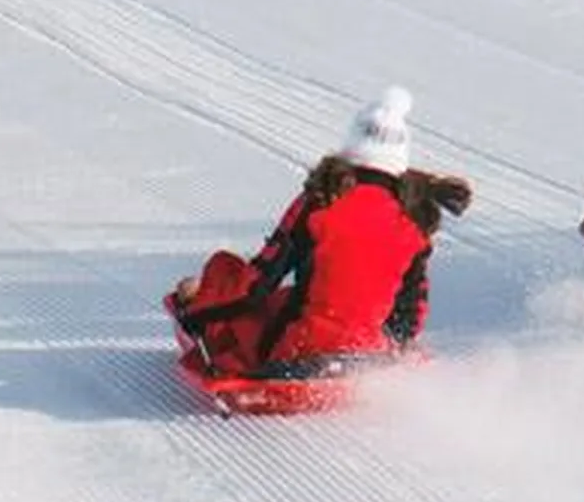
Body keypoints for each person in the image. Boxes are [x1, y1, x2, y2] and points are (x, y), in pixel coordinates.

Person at [170, 88, 471, 377]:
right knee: (313, 298)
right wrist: (393, 354)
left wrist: (195, 310)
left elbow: (255, 288)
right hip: (366, 356)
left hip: (296, 353)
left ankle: (203, 297)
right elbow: (409, 316)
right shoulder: (413, 218)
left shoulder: (320, 203)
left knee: (224, 269)